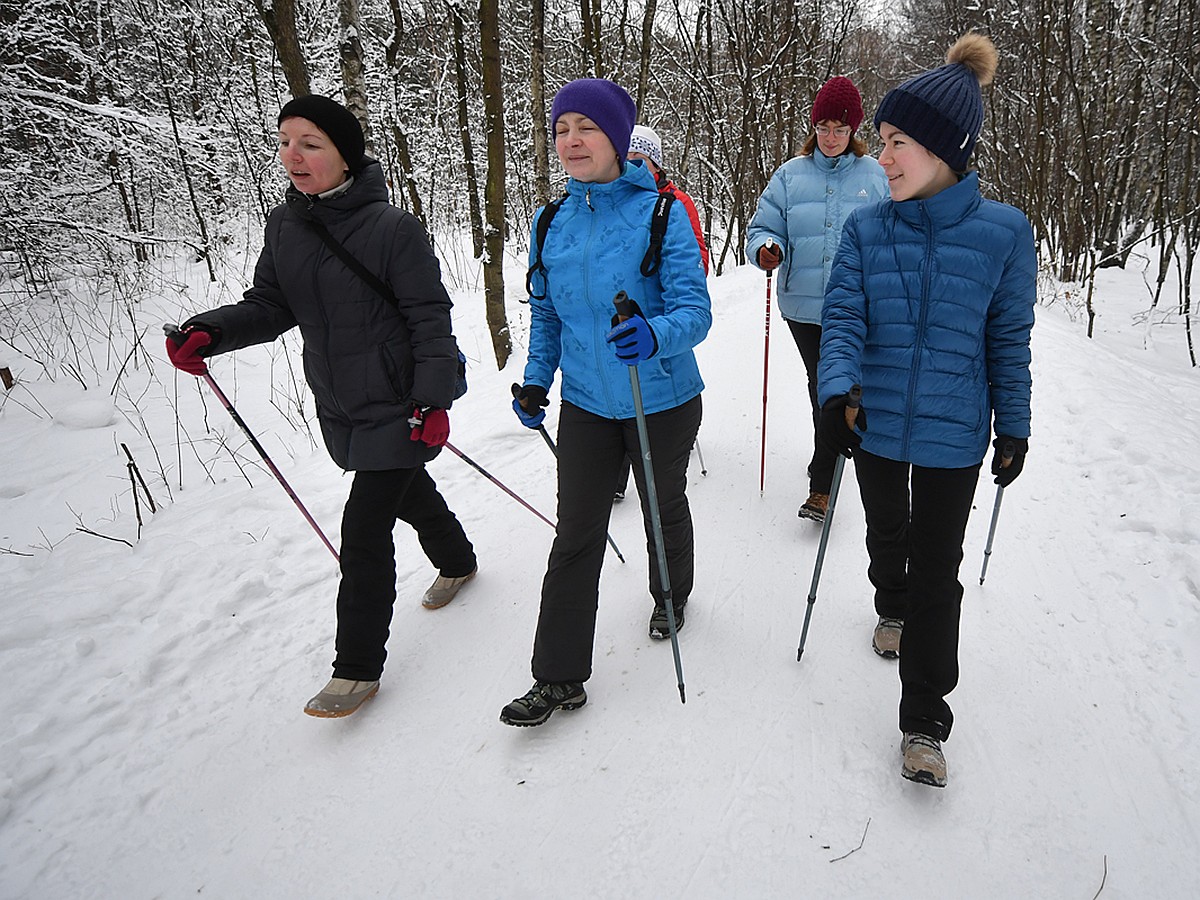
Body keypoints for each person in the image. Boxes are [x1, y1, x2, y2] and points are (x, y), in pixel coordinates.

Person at [165, 95, 477, 719]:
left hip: (400, 399)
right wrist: (213, 332)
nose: (293, 156)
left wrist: (433, 400)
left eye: (309, 143)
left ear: (344, 153)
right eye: (285, 142)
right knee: (404, 490)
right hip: (340, 401)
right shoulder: (287, 227)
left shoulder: (394, 229)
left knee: (365, 530)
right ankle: (460, 561)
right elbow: (271, 304)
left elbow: (428, 318)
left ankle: (356, 669)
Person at [817, 34, 1036, 787]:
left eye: (897, 142)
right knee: (887, 533)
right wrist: (838, 389)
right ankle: (890, 603)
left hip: (953, 431)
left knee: (940, 571)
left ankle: (923, 724)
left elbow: (1008, 339)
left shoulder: (1005, 234)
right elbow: (842, 318)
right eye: (880, 141)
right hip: (874, 419)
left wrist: (1015, 425)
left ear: (945, 147)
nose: (883, 158)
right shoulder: (867, 229)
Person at [502, 79, 711, 727]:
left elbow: (694, 314)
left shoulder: (663, 213)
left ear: (617, 138)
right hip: (588, 403)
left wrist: (654, 335)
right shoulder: (550, 220)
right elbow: (547, 314)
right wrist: (538, 380)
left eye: (585, 128)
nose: (570, 141)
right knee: (576, 534)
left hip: (662, 399)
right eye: (561, 128)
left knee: (659, 505)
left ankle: (671, 595)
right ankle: (558, 676)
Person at [746, 77, 888, 523]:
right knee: (824, 388)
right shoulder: (789, 175)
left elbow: (894, 232)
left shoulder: (876, 175)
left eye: (840, 130)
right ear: (814, 126)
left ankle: (829, 470)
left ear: (854, 132)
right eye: (824, 127)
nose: (831, 137)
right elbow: (762, 228)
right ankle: (822, 485)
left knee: (843, 387)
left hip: (857, 305)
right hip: (804, 307)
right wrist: (768, 248)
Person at [612, 123, 710, 501]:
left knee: (656, 371)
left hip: (671, 308)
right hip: (629, 308)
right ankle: (617, 477)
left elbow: (697, 249)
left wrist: (684, 275)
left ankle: (669, 438)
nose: (634, 165)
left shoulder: (677, 204)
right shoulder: (618, 201)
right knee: (624, 372)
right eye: (628, 158)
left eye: (641, 159)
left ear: (656, 164)